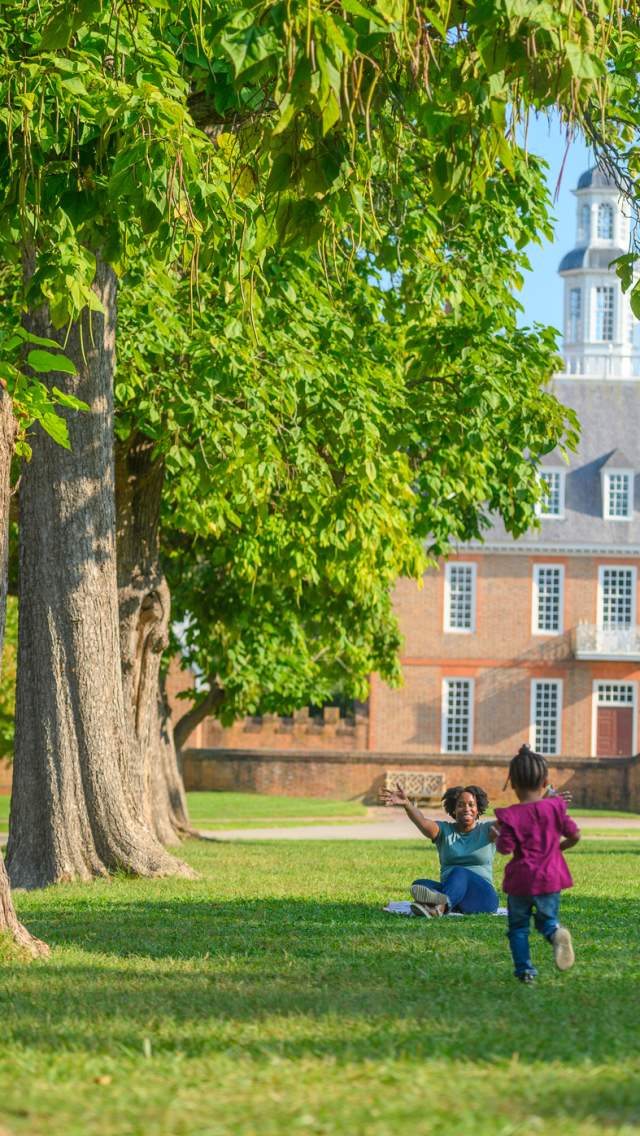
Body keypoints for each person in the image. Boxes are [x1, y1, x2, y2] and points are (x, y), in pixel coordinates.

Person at [494, 744, 581, 985]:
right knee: (546, 920)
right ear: (545, 782)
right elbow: (575, 835)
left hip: (521, 881)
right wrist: (558, 849)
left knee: (519, 928)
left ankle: (525, 972)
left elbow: (505, 849)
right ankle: (555, 933)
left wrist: (498, 833)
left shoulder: (511, 815)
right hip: (550, 878)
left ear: (512, 784)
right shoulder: (555, 807)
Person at [380, 782, 500, 916]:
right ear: (453, 810)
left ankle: (440, 906)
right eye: (461, 805)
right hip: (458, 897)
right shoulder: (444, 831)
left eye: (471, 805)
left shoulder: (487, 830)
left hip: (483, 899)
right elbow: (423, 821)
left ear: (478, 809)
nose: (466, 808)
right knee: (420, 884)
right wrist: (407, 804)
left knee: (460, 872)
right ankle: (446, 903)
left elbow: (509, 821)